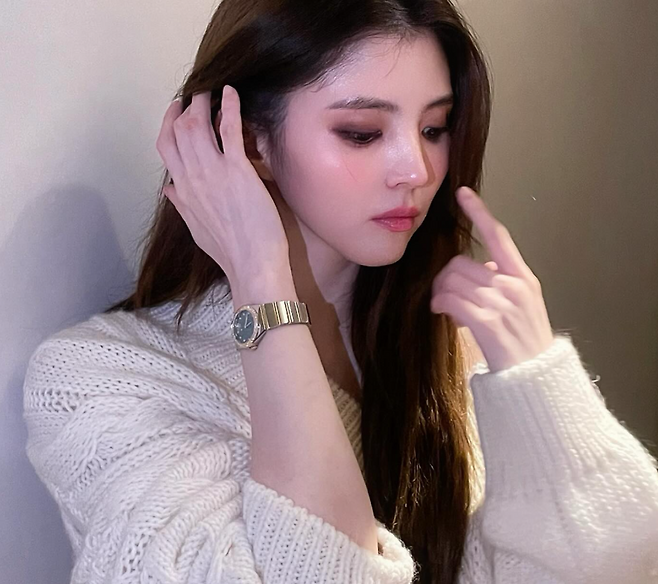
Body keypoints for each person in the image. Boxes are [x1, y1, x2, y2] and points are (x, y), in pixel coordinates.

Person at [22, 0, 658, 582]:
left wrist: (537, 386)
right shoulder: (103, 378)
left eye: (434, 128)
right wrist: (261, 285)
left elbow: (626, 568)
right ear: (247, 141)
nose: (416, 170)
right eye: (362, 132)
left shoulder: (452, 352)